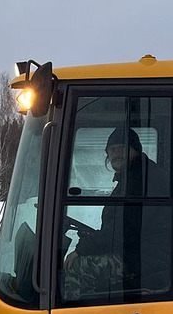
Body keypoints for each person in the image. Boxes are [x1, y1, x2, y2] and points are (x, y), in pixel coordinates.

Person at [63, 126, 167, 300]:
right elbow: (120, 227)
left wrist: (83, 249)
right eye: (112, 149)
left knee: (77, 267)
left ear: (135, 150)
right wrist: (93, 239)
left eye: (121, 148)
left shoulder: (142, 179)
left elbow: (124, 229)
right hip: (136, 252)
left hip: (145, 258)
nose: (115, 153)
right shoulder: (133, 175)